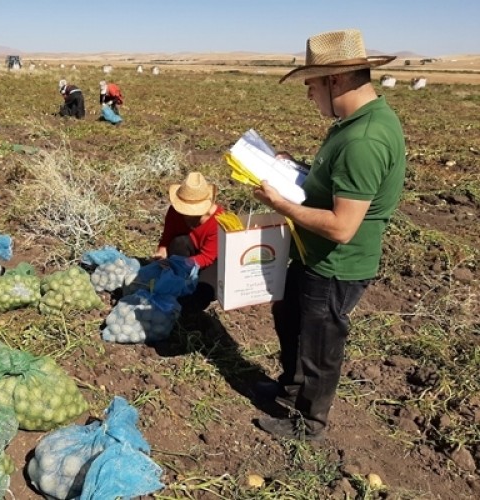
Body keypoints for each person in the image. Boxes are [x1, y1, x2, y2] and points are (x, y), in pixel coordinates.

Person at [251, 29, 406, 440]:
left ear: (335, 80)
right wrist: (295, 168)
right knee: (291, 322)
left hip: (336, 265)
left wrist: (282, 205)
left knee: (319, 344)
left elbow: (342, 226)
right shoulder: (352, 123)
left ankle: (309, 423)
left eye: (311, 85)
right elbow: (334, 183)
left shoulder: (364, 139)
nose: (309, 95)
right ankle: (289, 392)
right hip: (311, 254)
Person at [153, 172, 225, 313]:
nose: (186, 215)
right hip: (187, 249)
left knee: (203, 293)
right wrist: (162, 252)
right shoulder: (174, 212)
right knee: (179, 241)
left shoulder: (218, 221)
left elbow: (207, 257)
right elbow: (167, 238)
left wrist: (179, 263)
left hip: (212, 261)